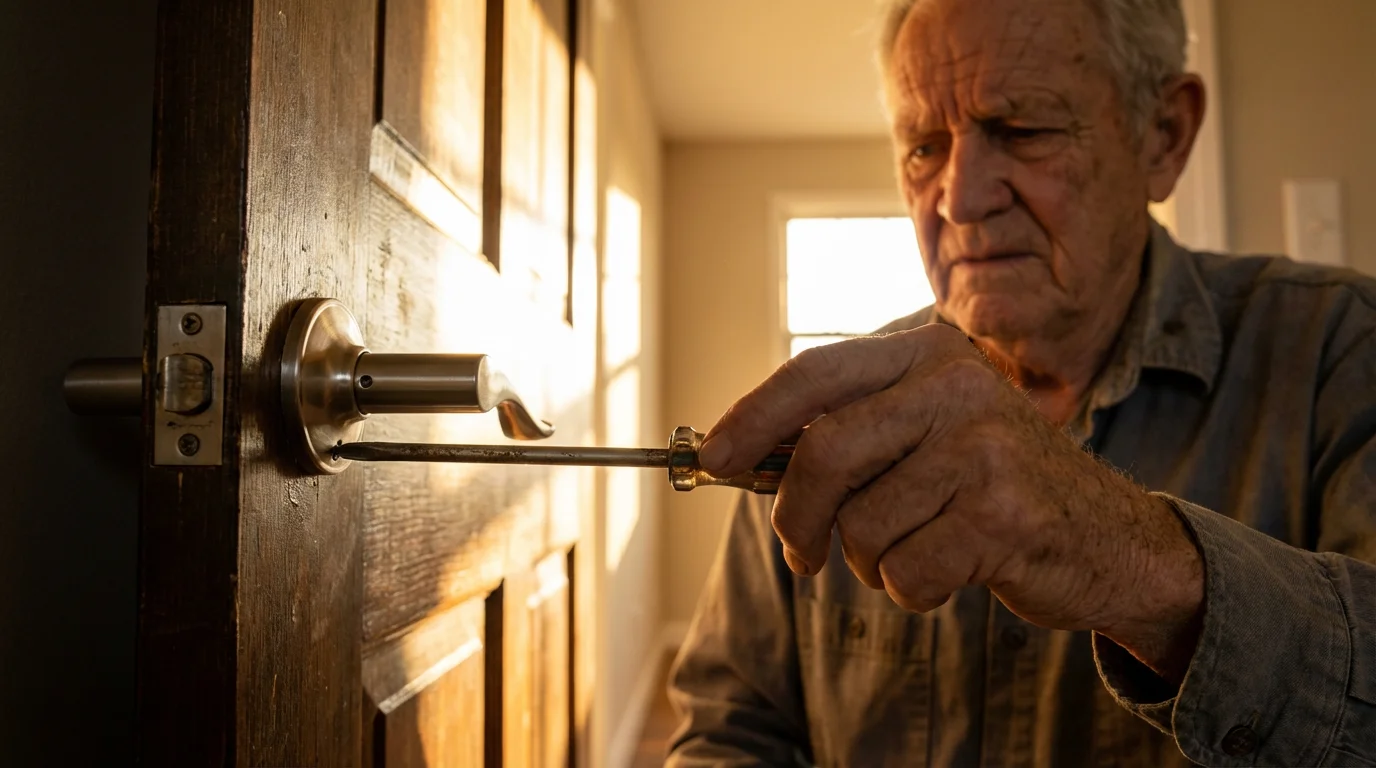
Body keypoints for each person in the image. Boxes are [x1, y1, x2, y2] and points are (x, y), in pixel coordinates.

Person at [665, 0, 1376, 765]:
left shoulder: (1342, 352)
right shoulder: (827, 415)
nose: (960, 200)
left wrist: (1127, 557)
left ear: (1164, 135)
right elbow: (729, 730)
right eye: (922, 148)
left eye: (1024, 130)